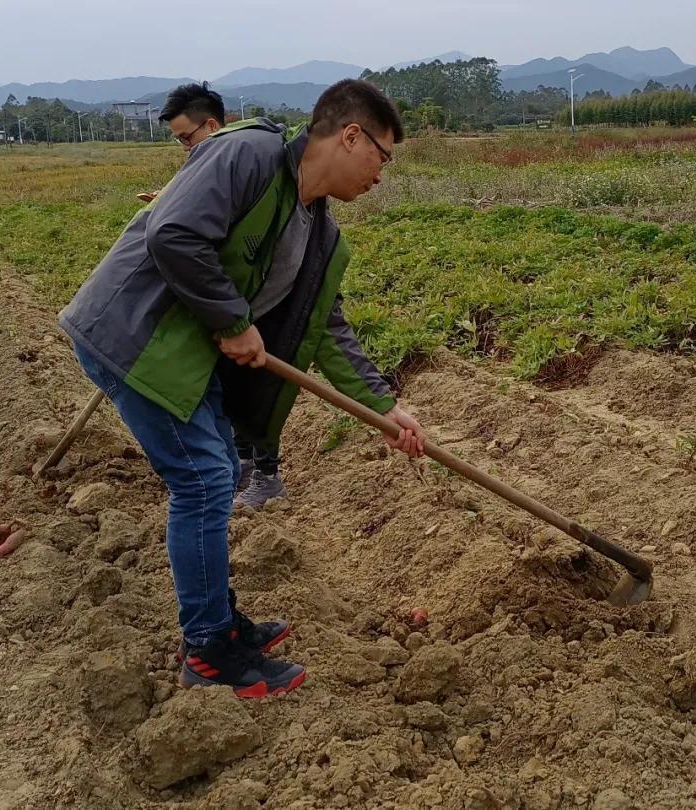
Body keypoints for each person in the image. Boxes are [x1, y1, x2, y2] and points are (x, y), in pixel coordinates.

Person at [60, 80, 426, 697]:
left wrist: (387, 409)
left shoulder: (318, 232)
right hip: (132, 339)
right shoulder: (250, 155)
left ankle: (220, 625)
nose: (381, 175)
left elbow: (326, 327)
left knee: (220, 470)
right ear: (350, 135)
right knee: (202, 480)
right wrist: (232, 321)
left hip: (184, 359)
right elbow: (172, 232)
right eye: (382, 157)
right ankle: (207, 653)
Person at [147, 82, 293, 509]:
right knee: (232, 385)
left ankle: (267, 474)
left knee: (260, 388)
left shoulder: (254, 162)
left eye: (186, 138)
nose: (184, 148)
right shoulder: (216, 167)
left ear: (211, 125)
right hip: (232, 302)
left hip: (257, 302)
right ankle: (244, 464)